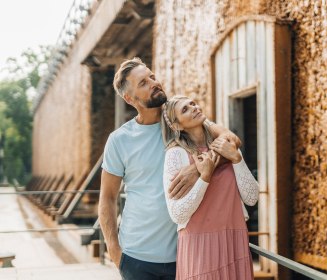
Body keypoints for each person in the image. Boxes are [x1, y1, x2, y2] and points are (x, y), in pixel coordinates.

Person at [98, 58, 240, 280]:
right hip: (136, 258)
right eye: (143, 83)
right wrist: (115, 252)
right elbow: (107, 198)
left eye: (152, 77)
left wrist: (199, 168)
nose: (154, 83)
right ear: (129, 98)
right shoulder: (119, 140)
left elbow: (230, 141)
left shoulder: (181, 120)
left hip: (185, 253)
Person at [161, 95, 259, 280]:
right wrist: (204, 177)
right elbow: (177, 214)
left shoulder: (224, 145)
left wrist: (237, 159)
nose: (194, 107)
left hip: (234, 241)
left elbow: (252, 197)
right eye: (185, 109)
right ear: (177, 126)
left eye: (193, 103)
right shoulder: (176, 155)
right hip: (200, 246)